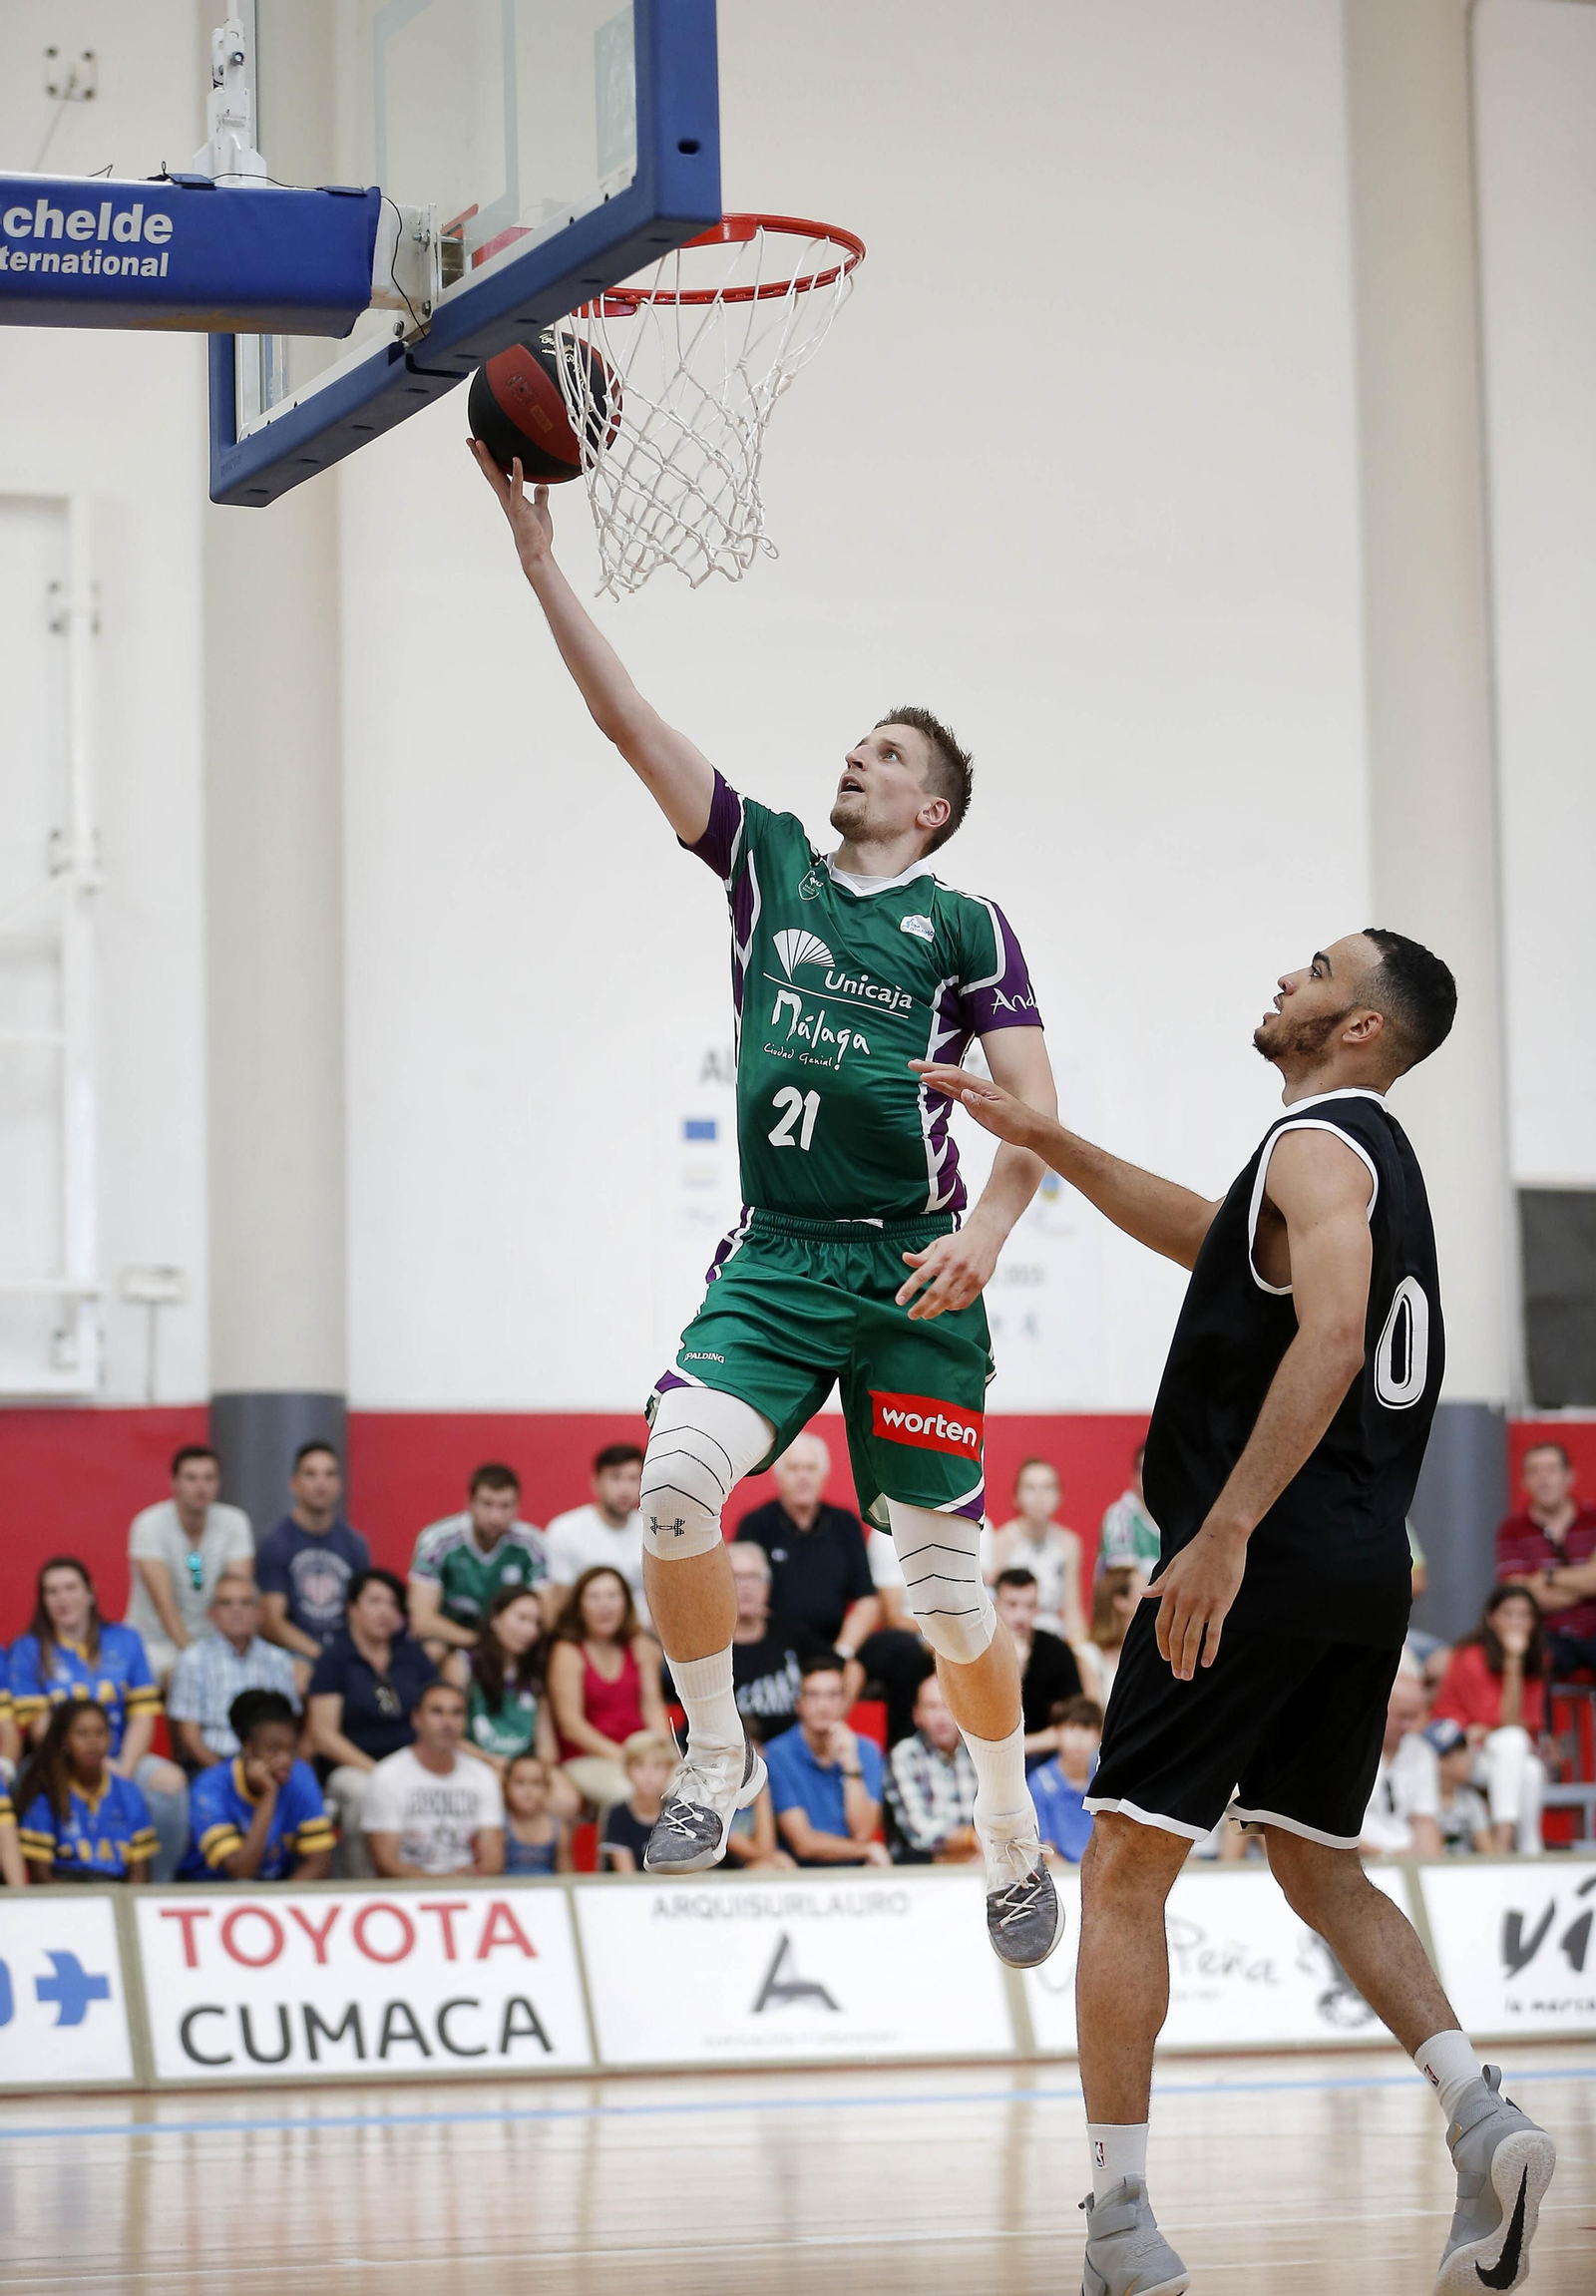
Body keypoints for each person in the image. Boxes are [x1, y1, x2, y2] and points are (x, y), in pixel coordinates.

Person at [474, 445, 1061, 1960]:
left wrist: (989, 1229)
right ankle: (711, 1756)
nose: (851, 759)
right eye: (854, 742)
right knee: (673, 1481)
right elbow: (627, 721)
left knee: (944, 1600)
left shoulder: (963, 919)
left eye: (882, 752)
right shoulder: (769, 865)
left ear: (929, 807)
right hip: (782, 1260)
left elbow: (1032, 1111)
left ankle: (1008, 1824)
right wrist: (541, 560)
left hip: (917, 1274)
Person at [916, 929, 1558, 2293]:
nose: (1289, 975)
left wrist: (1220, 1530)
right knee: (1319, 1862)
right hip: (1356, 1567)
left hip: (1256, 1559)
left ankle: (1121, 2219)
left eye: (1320, 969)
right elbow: (1213, 1242)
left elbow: (1330, 1337)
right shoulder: (1359, 1161)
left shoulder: (1319, 1147)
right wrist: (1052, 1137)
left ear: (1361, 1027)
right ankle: (1480, 2112)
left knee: (1127, 1866)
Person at [9, 1557, 188, 1882]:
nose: (62, 1599)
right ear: (43, 1600)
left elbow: (143, 1715)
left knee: (171, 1784)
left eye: (70, 1588)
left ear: (90, 1592)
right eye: (51, 1592)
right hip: (55, 1760)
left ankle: (156, 1892)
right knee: (20, 1786)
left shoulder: (126, 1640)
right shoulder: (28, 1649)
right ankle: (42, 1891)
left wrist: (123, 1770)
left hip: (120, 1755)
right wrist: (92, 1763)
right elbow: (39, 1727)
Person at [307, 1569, 437, 1876]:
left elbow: (436, 1711)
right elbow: (324, 1736)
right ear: (352, 1608)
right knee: (365, 1792)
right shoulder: (334, 1659)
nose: (385, 1611)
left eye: (392, 1604)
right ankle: (362, 1886)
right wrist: (381, 1774)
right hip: (352, 1769)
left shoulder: (412, 1656)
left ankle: (432, 1880)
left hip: (413, 1764)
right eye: (375, 1601)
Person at [665, 1539, 839, 1734]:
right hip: (726, 1756)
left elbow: (842, 1667)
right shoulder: (703, 1646)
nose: (746, 1587)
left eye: (754, 1577)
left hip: (787, 1758)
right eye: (737, 1577)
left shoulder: (793, 1636)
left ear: (768, 1586)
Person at [734, 1435, 881, 1659]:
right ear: (778, 1476)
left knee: (898, 1648)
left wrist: (841, 1654)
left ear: (823, 1475)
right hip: (773, 1646)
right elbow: (736, 1593)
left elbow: (867, 1601)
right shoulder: (756, 1524)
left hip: (834, 1644)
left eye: (810, 1468)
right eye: (793, 1469)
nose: (803, 1477)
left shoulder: (845, 1524)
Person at [1430, 1585, 1550, 1855]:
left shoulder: (1537, 1659)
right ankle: (1503, 1845)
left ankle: (1530, 1849)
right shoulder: (1471, 1655)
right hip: (1456, 1752)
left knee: (1531, 1770)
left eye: (1524, 1615)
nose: (1516, 1622)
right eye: (1508, 1613)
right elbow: (1506, 1722)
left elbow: (1522, 1723)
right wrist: (1512, 1660)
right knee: (1512, 1741)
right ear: (1491, 1618)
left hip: (1496, 1753)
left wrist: (1515, 1661)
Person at [123, 1444, 254, 1682]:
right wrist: (196, 1657)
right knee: (184, 1676)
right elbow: (165, 1605)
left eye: (209, 1478)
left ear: (219, 1483)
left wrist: (230, 1653)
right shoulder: (149, 1525)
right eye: (191, 1478)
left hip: (215, 1639)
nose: (201, 1487)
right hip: (155, 1642)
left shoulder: (234, 1522)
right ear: (174, 1483)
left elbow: (237, 1594)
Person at [178, 1691, 335, 1882]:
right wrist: (268, 1795)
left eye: (291, 1750)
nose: (285, 1760)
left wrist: (280, 1903)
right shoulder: (210, 1787)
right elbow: (241, 1872)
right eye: (274, 1751)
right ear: (248, 1748)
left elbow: (319, 1862)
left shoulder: (300, 1776)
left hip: (273, 1892)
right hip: (208, 1892)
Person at [547, 1566, 666, 1811]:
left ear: (626, 1603)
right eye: (594, 1597)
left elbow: (653, 1706)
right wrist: (628, 1758)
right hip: (589, 1757)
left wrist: (663, 1752)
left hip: (643, 1755)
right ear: (579, 1607)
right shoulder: (567, 1652)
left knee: (687, 1787)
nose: (605, 1605)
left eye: (613, 1596)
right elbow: (571, 1726)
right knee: (628, 1792)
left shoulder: (640, 1645)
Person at [362, 1679, 505, 1878]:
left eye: (456, 1713)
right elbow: (385, 1862)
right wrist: (441, 1884)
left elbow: (492, 1861)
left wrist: (459, 1884)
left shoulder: (483, 1776)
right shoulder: (387, 1775)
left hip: (468, 1890)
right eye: (437, 1712)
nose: (448, 1723)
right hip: (406, 1893)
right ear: (416, 1719)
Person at [407, 1462, 549, 1656]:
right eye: (487, 1504)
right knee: (431, 1650)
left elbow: (546, 1614)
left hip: (512, 1643)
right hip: (453, 1638)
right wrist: (480, 1643)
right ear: (469, 1503)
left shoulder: (531, 1543)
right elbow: (421, 1619)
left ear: (517, 1507)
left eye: (505, 1506)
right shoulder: (438, 1541)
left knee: (551, 1650)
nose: (495, 1516)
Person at [254, 1441, 371, 1670]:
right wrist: (322, 1656)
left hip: (345, 1650)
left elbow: (363, 1612)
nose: (321, 1483)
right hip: (292, 1653)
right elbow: (272, 1624)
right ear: (293, 1483)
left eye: (329, 1475)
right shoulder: (275, 1544)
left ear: (339, 1484)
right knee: (303, 1678)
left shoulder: (355, 1545)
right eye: (311, 1474)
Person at [165, 1575, 301, 1768]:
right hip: (213, 1764)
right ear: (211, 1613)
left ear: (259, 1613)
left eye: (245, 1603)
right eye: (226, 1603)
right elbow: (189, 1737)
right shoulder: (192, 1659)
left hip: (273, 1766)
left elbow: (289, 1726)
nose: (236, 1610)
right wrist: (230, 1779)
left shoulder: (279, 1660)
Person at [764, 1657, 889, 1867]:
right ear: (799, 1704)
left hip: (855, 1871)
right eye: (813, 1696)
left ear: (844, 1702)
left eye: (833, 1695)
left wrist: (851, 1765)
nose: (823, 1706)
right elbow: (803, 1843)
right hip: (800, 1873)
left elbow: (863, 1832)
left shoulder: (866, 1751)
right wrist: (866, 1849)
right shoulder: (778, 1754)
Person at [16, 1702, 158, 1884]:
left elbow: (140, 1873)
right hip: (64, 1893)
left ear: (111, 1738)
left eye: (100, 1733)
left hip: (118, 1893)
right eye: (82, 1734)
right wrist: (87, 1906)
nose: (92, 1742)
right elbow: (41, 1876)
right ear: (65, 1740)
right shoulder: (47, 1792)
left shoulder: (129, 1792)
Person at [1495, 1440, 1596, 1679]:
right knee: (1524, 1655)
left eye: (1551, 1470)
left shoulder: (1593, 1519)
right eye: (1534, 1471)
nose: (1543, 1479)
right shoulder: (1512, 1530)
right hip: (1546, 1636)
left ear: (1569, 1476)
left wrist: (1546, 1577)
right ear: (1524, 1482)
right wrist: (1586, 1584)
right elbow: (1520, 1598)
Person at [454, 1584, 569, 1789]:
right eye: (522, 1618)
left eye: (536, 1623)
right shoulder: (462, 1664)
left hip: (525, 1767)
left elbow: (547, 1748)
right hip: (477, 1761)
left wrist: (535, 1771)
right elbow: (449, 1734)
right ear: (495, 1619)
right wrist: (490, 1761)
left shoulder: (534, 1673)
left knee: (566, 1799)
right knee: (495, 1787)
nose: (530, 1630)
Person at [545, 1442, 649, 1627]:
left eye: (633, 1479)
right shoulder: (564, 1531)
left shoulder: (653, 1531)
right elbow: (560, 1603)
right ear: (596, 1483)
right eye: (615, 1478)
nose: (625, 1489)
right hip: (583, 1638)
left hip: (644, 1638)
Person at [984, 1458, 1086, 1641]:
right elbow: (994, 1604)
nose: (1040, 1496)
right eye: (1030, 1488)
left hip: (1053, 1635)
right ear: (1016, 1497)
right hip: (1011, 1632)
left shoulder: (1069, 1544)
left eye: (1048, 1487)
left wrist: (1080, 1645)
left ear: (1060, 1496)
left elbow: (1072, 1607)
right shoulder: (1001, 1541)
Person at [885, 1672, 979, 1863]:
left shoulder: (980, 1752)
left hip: (983, 1860)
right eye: (931, 1707)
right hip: (923, 1866)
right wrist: (971, 1839)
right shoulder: (905, 1755)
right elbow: (919, 1832)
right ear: (917, 1715)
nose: (941, 1717)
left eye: (948, 1706)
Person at [992, 1568, 1083, 1764]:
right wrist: (1016, 1669)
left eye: (1030, 1606)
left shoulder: (1056, 1651)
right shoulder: (979, 1649)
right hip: (986, 1751)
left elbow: (1074, 1719)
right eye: (1012, 1605)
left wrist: (1021, 1747)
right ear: (995, 1604)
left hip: (1041, 1754)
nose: (1021, 1615)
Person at [1361, 1670, 1442, 1858]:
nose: (1408, 1725)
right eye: (1402, 1716)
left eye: (1414, 1717)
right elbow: (1329, 1829)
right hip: (1358, 1858)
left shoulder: (1422, 1751)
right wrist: (1385, 1855)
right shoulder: (1348, 1750)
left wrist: (1431, 1866)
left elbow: (1424, 1820)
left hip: (1405, 1857)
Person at [1028, 1696, 1104, 1864]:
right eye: (1070, 1728)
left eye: (1086, 1729)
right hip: (1060, 1876)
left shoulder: (1106, 1780)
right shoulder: (1039, 1783)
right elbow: (1045, 1848)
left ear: (1099, 1735)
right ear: (1056, 1732)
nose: (1078, 1737)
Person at [599, 1730, 679, 1873]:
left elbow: (686, 1869)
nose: (648, 1775)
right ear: (627, 1771)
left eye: (657, 1766)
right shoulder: (617, 1815)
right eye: (639, 1766)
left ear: (669, 1771)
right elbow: (626, 1875)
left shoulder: (679, 1813)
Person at [1421, 1719, 1494, 1856]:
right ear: (1439, 1761)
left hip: (1466, 1873)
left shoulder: (1470, 1800)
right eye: (1459, 1753)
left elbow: (1489, 1854)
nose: (1469, 1758)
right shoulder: (1419, 1802)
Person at [1072, 1567, 1141, 1711]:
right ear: (1120, 1601)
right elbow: (1094, 1714)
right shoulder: (1089, 1654)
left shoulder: (1150, 1651)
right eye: (1144, 1590)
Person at [502, 1752, 572, 1876]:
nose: (528, 1791)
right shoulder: (500, 1825)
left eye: (536, 1783)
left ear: (547, 1788)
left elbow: (567, 1876)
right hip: (507, 1893)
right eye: (520, 1782)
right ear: (506, 1787)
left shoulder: (558, 1828)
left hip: (549, 1893)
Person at [1097, 1443, 1160, 1580]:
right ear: (1135, 1476)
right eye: (1146, 1470)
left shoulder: (1186, 1519)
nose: (1153, 1478)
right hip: (1130, 1600)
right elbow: (1122, 1579)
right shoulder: (1120, 1515)